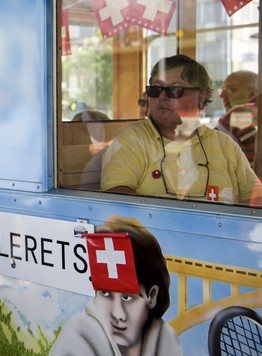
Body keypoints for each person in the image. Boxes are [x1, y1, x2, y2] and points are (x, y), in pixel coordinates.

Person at [101, 55, 262, 206]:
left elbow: (255, 200)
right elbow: (116, 198)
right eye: (156, 89)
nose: (162, 96)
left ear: (201, 96)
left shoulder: (225, 145)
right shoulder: (133, 138)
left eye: (175, 90)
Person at [49, 215, 180, 356]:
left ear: (152, 296)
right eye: (105, 293)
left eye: (127, 298)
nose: (118, 315)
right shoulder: (77, 339)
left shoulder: (164, 339)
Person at [216, 70, 258, 165]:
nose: (222, 96)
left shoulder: (239, 113)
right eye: (222, 90)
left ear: (253, 93)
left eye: (231, 89)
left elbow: (207, 152)